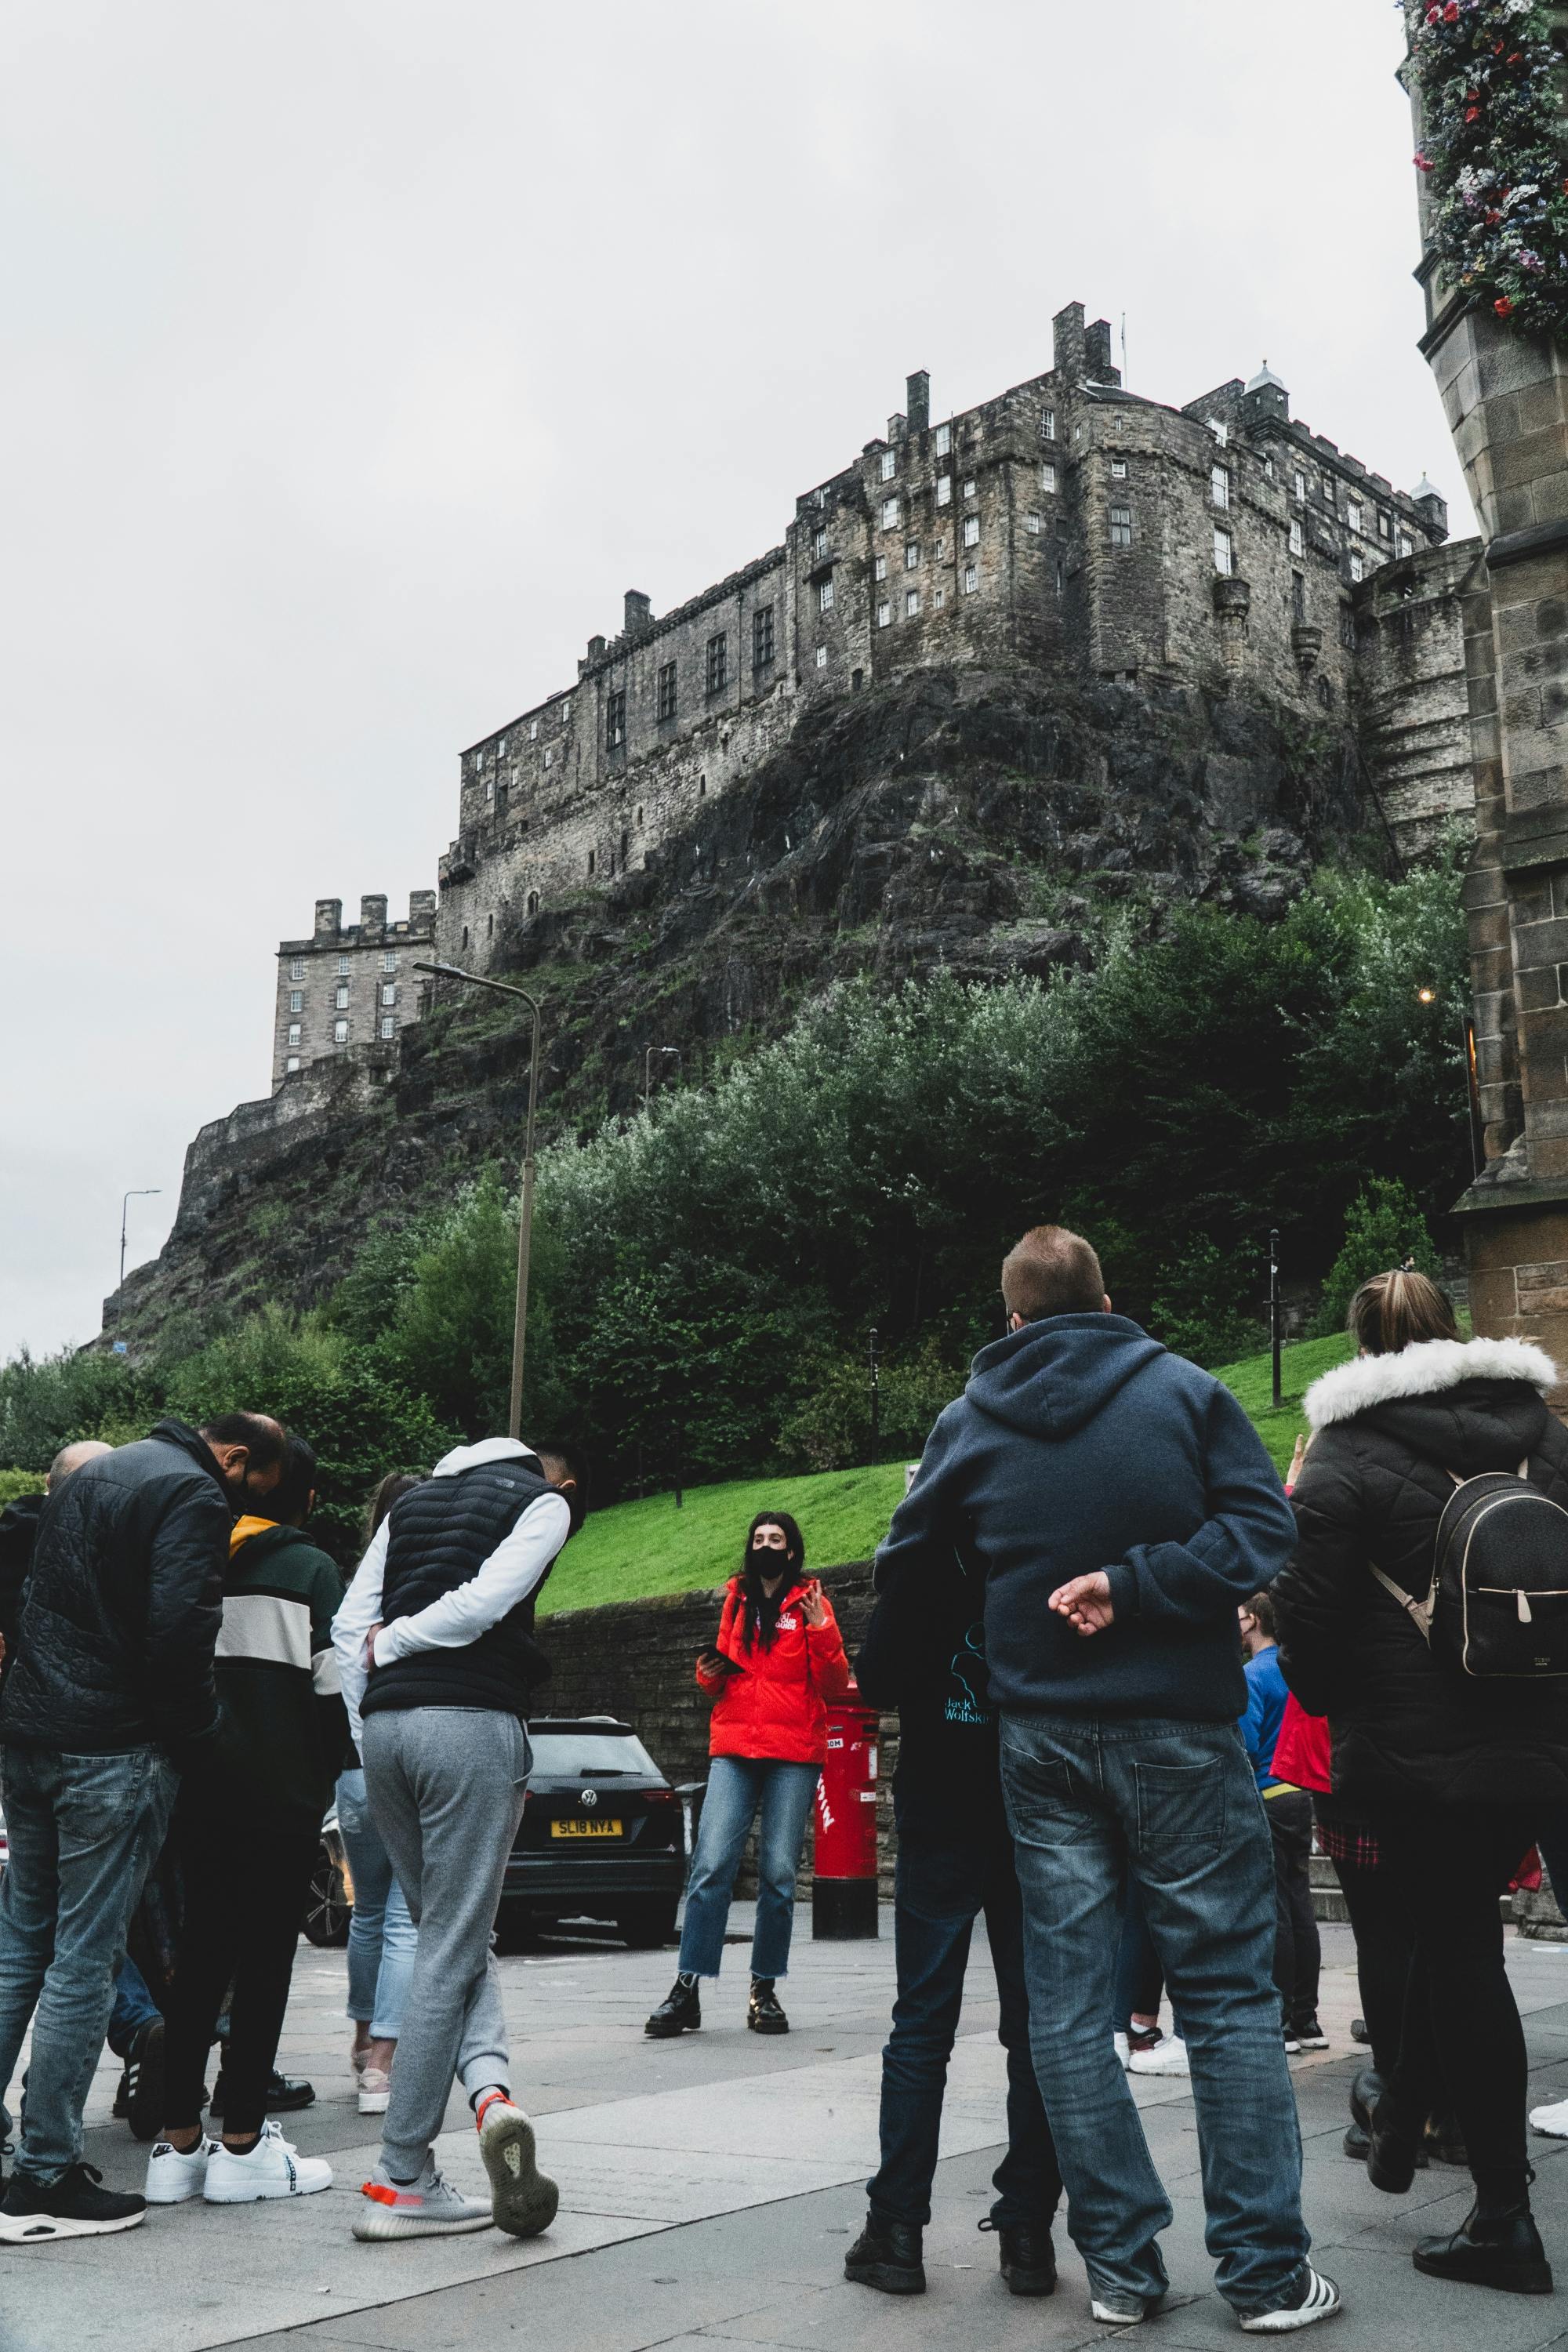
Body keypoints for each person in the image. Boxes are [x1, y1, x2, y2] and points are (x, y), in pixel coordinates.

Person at [876, 1225, 1338, 2333]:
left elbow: (905, 1562)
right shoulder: (1186, 1394)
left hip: (1038, 1740)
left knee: (1069, 2011)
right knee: (1229, 1997)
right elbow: (1266, 1526)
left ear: (1014, 1318)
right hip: (1180, 1727)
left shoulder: (969, 1420)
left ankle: (1125, 2270)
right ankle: (1266, 2277)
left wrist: (1010, 1582)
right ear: (1110, 1300)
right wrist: (1138, 1585)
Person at [1276, 1268, 1568, 2297]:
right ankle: (1405, 2113)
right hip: (1546, 1737)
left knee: (1455, 1964)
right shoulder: (1543, 1430)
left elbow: (1302, 1622)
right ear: (1452, 1331)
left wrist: (1348, 1700)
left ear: (1365, 1349)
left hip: (1418, 1757)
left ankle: (1500, 2215)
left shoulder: (1348, 1450)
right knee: (1455, 1962)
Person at [0, 1411, 287, 2243]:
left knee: (20, 1945)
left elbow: (38, 1605)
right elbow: (178, 1634)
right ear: (233, 1459)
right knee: (85, 1959)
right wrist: (201, 1741)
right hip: (111, 1748)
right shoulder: (192, 1494)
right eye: (250, 1489)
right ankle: (46, 2172)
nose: (240, 1504)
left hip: (29, 1737)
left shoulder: (97, 1473)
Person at [333, 1435, 581, 2242]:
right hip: (470, 1724)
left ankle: (488, 2093)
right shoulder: (539, 1502)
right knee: (450, 1942)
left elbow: (347, 1627)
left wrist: (368, 1721)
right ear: (527, 1466)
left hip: (386, 1733)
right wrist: (400, 1641)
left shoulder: (407, 1506)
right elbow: (482, 1603)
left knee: (449, 1935)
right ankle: (401, 2176)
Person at [843, 1538, 1062, 2299]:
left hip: (940, 1804)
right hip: (1031, 1809)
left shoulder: (921, 1557)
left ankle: (896, 2229)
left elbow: (873, 1680)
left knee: (921, 2025)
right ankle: (1028, 2231)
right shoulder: (1042, 1539)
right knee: (1034, 2027)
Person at [143, 1434, 345, 2210]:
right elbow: (333, 1692)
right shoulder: (309, 1570)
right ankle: (242, 2142)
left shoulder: (192, 1559)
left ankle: (175, 2143)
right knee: (264, 1965)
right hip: (280, 1799)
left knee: (198, 1961)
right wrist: (326, 1773)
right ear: (306, 1499)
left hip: (197, 1794)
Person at [645, 1513, 850, 2042]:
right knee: (711, 1866)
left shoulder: (812, 1604)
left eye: (775, 1541)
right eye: (758, 1539)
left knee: (779, 1876)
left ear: (791, 1551)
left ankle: (764, 1989)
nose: (765, 1547)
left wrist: (821, 1628)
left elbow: (833, 1681)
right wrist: (707, 1675)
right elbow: (723, 1679)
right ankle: (686, 1988)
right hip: (736, 1746)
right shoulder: (735, 1600)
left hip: (792, 1753)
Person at [339, 1472, 422, 2115]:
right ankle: (383, 2071)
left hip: (355, 1769)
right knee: (400, 1918)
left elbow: (343, 1654)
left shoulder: (360, 1590)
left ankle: (362, 2042)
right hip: (404, 1758)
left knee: (367, 1913)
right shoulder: (428, 1587)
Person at [1239, 1590, 1324, 2056]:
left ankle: (1282, 2020)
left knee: (1276, 1910)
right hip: (1301, 1794)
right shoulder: (1295, 1667)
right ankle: (1308, 2019)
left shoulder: (1253, 1674)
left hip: (1267, 1794)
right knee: (1300, 1904)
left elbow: (1246, 1741)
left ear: (1252, 1621)